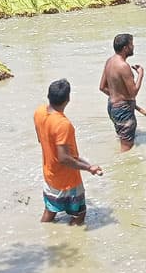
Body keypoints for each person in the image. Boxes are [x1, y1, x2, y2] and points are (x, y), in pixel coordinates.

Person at [34, 78, 103, 225]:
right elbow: (64, 158)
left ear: (48, 96)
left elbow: (41, 139)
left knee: (50, 210)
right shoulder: (63, 125)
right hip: (67, 180)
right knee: (79, 214)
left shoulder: (39, 112)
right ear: (68, 99)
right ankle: (74, 243)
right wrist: (89, 168)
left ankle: (45, 238)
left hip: (49, 174)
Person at [99, 33, 144, 152]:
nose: (133, 47)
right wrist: (141, 74)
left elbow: (102, 87)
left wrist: (118, 96)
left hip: (112, 107)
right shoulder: (124, 66)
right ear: (125, 48)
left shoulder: (109, 61)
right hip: (123, 111)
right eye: (131, 44)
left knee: (123, 140)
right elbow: (133, 92)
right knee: (126, 151)